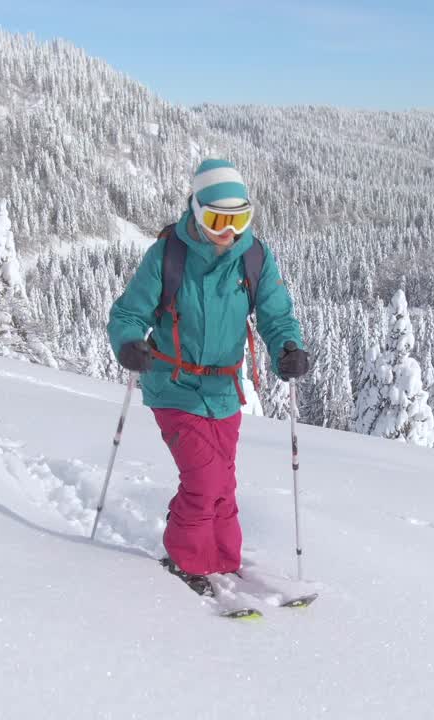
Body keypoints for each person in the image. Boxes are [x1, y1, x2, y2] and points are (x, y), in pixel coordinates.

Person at [107, 159, 310, 595]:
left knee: (223, 481)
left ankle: (220, 558)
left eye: (239, 220)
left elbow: (276, 314)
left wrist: (288, 349)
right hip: (173, 387)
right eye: (218, 219)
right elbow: (128, 312)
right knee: (203, 480)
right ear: (197, 211)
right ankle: (185, 559)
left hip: (224, 390)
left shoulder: (253, 258)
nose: (228, 231)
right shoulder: (168, 255)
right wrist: (128, 343)